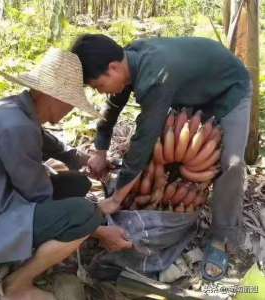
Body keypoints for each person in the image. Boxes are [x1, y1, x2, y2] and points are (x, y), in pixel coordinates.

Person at [71, 34, 252, 281]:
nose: (102, 92)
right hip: (186, 88)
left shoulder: (154, 77)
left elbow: (143, 141)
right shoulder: (127, 60)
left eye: (98, 86)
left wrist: (115, 199)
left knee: (231, 164)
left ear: (113, 68)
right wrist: (100, 150)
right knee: (167, 150)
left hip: (228, 89)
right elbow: (113, 107)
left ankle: (223, 236)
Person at [0, 48, 132, 300]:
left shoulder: (17, 110)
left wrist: (87, 160)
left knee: (76, 184)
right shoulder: (15, 126)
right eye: (68, 101)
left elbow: (54, 146)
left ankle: (47, 246)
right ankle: (17, 287)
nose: (70, 109)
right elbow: (37, 194)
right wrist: (95, 226)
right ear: (47, 94)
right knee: (82, 214)